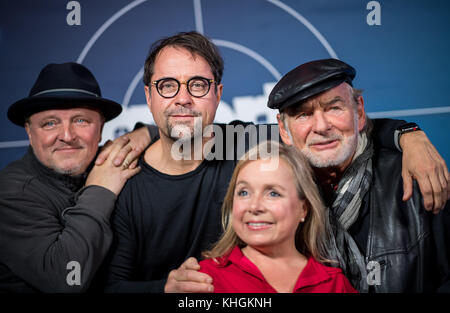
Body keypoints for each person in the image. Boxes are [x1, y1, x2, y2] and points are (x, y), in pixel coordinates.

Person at [104, 31, 449, 293]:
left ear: (217, 94)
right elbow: (107, 287)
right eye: (167, 86)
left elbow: (330, 134)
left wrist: (409, 135)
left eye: (197, 85)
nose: (182, 98)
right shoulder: (120, 175)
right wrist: (166, 289)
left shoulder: (237, 144)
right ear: (148, 95)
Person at [270, 58, 450, 292]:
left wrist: (409, 132)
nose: (321, 126)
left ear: (360, 112)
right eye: (303, 115)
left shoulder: (415, 177)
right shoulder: (274, 196)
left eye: (334, 108)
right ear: (283, 130)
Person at [0, 62, 149, 293]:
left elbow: (210, 137)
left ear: (100, 129)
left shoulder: (109, 161)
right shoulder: (10, 191)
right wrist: (100, 190)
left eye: (81, 120)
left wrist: (147, 132)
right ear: (29, 132)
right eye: (50, 123)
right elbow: (66, 280)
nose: (67, 136)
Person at [199, 141, 357, 293]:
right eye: (244, 192)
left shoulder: (334, 285)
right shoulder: (203, 280)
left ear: (303, 209)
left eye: (273, 193)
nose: (254, 207)